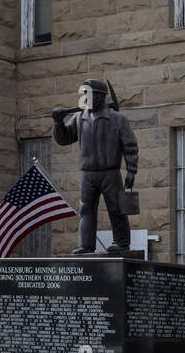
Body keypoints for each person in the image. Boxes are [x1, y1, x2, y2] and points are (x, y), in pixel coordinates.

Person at [52, 79, 138, 256]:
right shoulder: (79, 118)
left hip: (110, 173)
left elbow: (130, 145)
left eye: (89, 94)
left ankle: (121, 243)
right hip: (88, 174)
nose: (86, 97)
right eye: (84, 94)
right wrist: (58, 122)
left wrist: (131, 170)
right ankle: (86, 245)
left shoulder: (117, 119)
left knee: (116, 209)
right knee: (86, 210)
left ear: (101, 96)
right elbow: (64, 139)